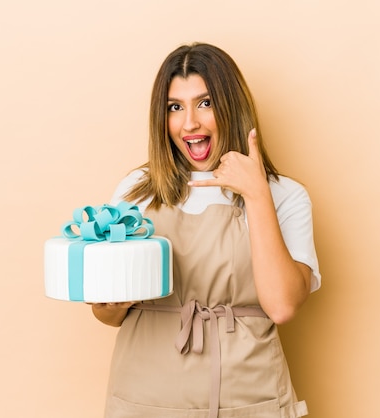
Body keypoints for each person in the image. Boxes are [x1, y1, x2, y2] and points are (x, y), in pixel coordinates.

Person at [91, 42, 321, 418]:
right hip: (145, 394)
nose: (189, 123)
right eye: (175, 107)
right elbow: (110, 316)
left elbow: (281, 306)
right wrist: (106, 304)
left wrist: (257, 194)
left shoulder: (285, 196)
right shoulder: (136, 192)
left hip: (249, 394)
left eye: (205, 102)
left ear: (231, 105)